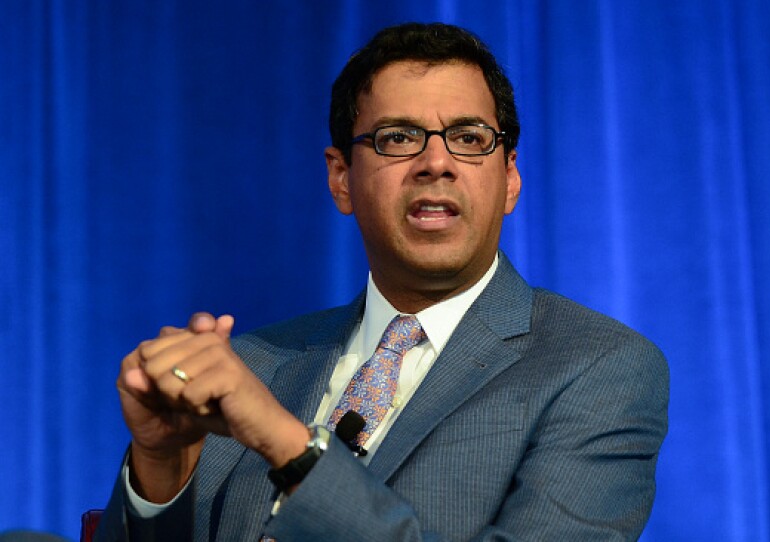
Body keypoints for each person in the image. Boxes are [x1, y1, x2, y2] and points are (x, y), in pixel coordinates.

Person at [95, 22, 669, 542]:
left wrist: (286, 442)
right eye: (398, 137)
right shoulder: (252, 365)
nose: (436, 163)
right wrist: (161, 463)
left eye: (469, 138)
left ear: (510, 179)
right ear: (341, 178)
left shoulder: (598, 367)